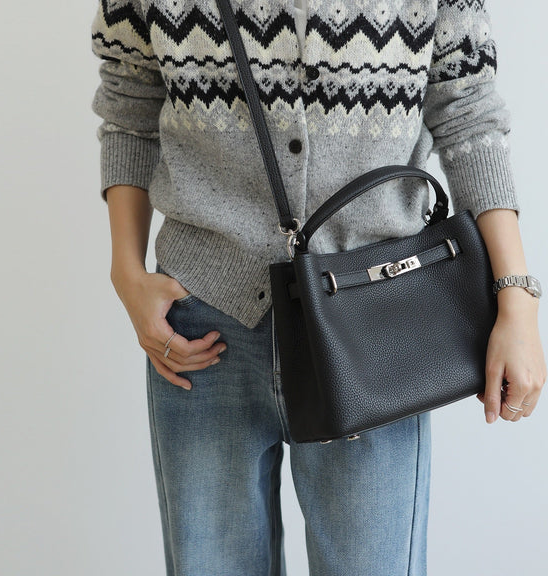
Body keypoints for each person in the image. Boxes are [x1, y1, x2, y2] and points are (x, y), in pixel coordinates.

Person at [91, 1, 546, 574]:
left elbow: (468, 112)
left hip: (374, 325)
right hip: (201, 320)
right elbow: (130, 102)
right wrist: (126, 273)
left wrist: (516, 300)